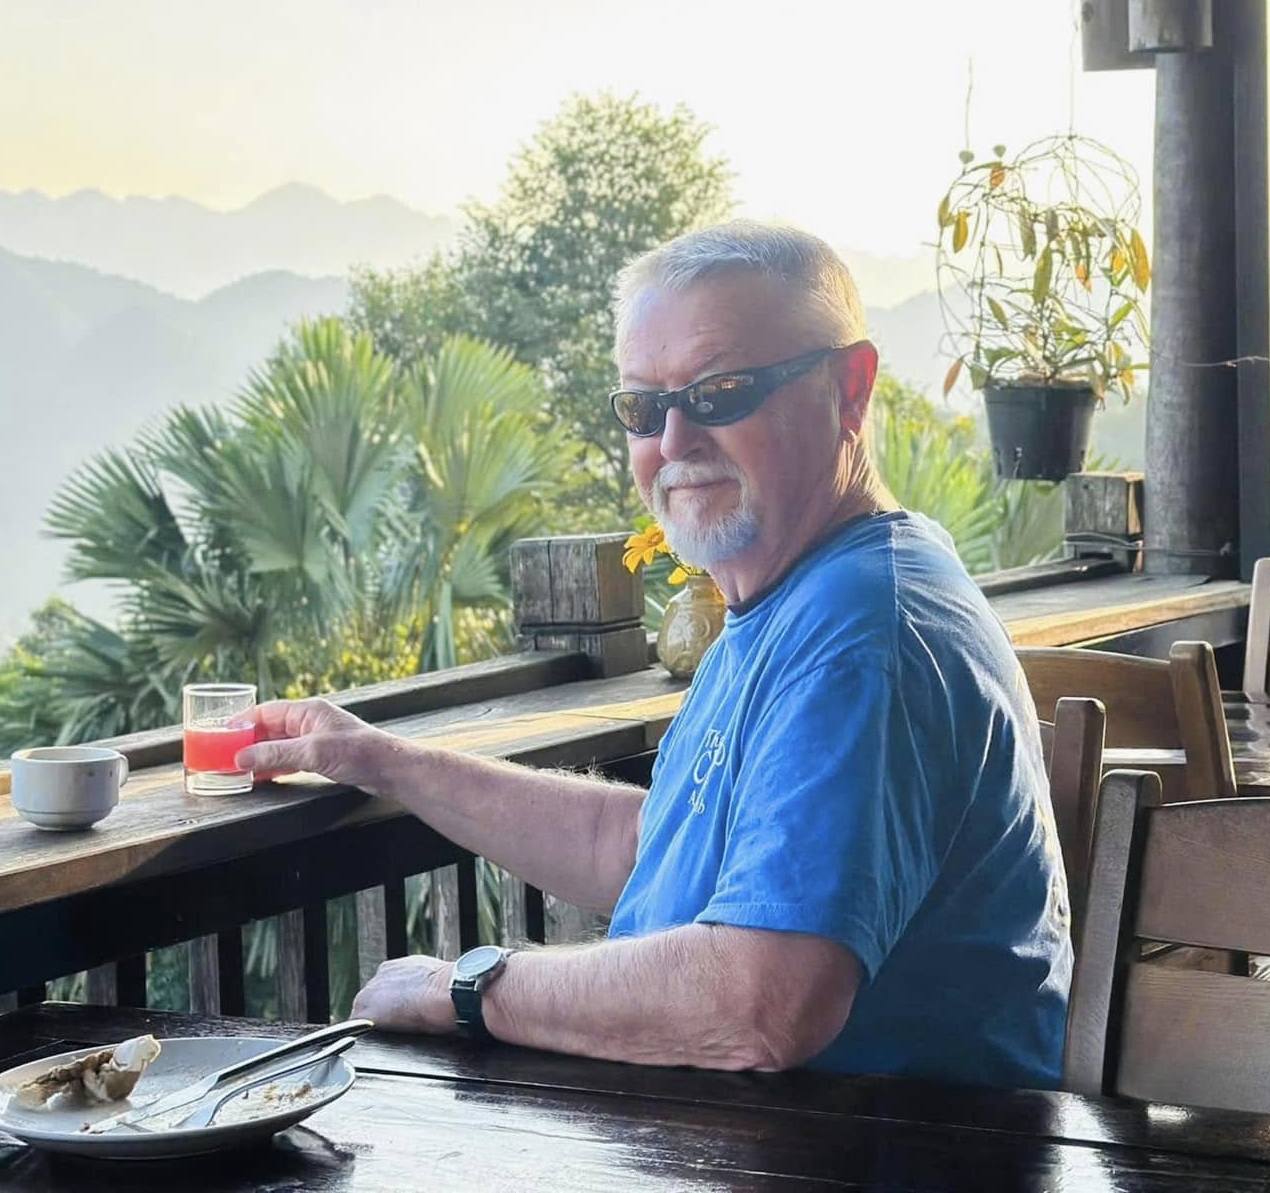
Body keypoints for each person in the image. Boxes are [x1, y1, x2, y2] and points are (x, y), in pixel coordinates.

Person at [237, 221, 1070, 1087]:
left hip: (882, 1144)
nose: (673, 443)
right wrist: (382, 761)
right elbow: (641, 845)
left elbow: (761, 1004)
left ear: (849, 389)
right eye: (643, 407)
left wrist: (467, 989)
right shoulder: (788, 594)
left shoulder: (861, 632)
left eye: (721, 393)